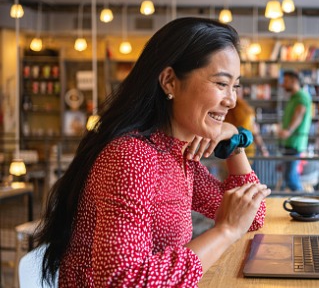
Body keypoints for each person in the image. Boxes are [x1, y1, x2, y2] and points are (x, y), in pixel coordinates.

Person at [35, 17, 271, 287]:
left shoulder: (177, 155)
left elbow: (252, 215)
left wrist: (234, 141)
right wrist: (225, 231)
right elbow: (121, 281)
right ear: (169, 81)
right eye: (221, 84)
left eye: (235, 86)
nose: (230, 100)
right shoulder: (131, 157)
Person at [278, 71, 312, 192]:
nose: (283, 84)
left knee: (290, 177)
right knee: (289, 175)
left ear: (294, 81)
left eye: (286, 81)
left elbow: (300, 113)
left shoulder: (301, 96)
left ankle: (304, 202)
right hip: (290, 142)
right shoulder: (293, 97)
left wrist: (288, 130)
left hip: (295, 142)